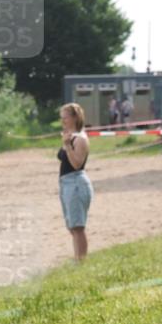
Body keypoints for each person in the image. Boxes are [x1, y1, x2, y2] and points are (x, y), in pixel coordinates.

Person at [58, 103, 93, 262]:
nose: (62, 120)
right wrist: (65, 142)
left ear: (75, 117)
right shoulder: (70, 136)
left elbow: (77, 164)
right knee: (72, 226)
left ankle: (81, 261)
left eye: (65, 117)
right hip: (66, 183)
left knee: (78, 227)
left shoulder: (80, 139)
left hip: (76, 183)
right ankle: (78, 259)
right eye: (62, 117)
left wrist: (67, 146)